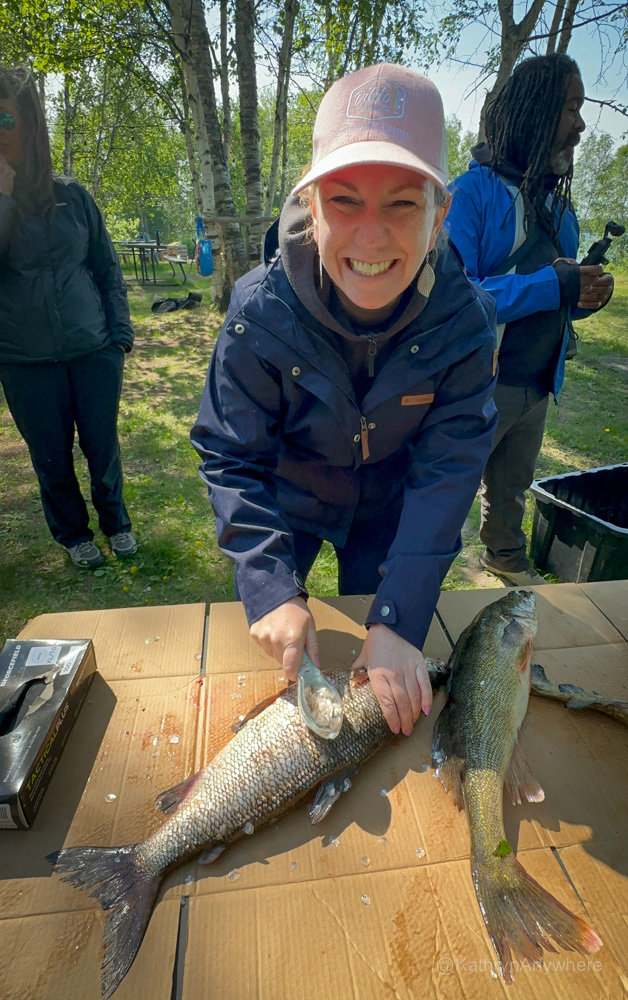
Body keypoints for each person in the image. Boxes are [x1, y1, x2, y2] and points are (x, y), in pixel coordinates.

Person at [191, 63, 498, 736]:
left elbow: (448, 474)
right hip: (289, 502)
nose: (371, 235)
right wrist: (270, 585)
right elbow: (229, 454)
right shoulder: (258, 313)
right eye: (345, 200)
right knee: (279, 643)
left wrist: (397, 618)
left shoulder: (466, 327)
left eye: (401, 204)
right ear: (310, 205)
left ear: (440, 213)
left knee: (380, 646)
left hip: (390, 510)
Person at [445, 53, 614, 586]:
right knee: (445, 492)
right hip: (478, 383)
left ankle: (504, 555)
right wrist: (555, 284)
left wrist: (583, 296)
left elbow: (558, 296)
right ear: (535, 113)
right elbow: (456, 296)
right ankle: (420, 578)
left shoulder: (561, 209)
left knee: (513, 483)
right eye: (570, 110)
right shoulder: (468, 195)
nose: (581, 126)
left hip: (537, 381)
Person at [0, 66, 138, 568]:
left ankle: (117, 523)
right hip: (24, 361)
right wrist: (3, 198)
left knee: (102, 446)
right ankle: (74, 534)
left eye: (6, 118)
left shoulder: (74, 196)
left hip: (93, 350)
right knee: (51, 457)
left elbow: (106, 267)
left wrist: (117, 338)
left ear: (30, 126)